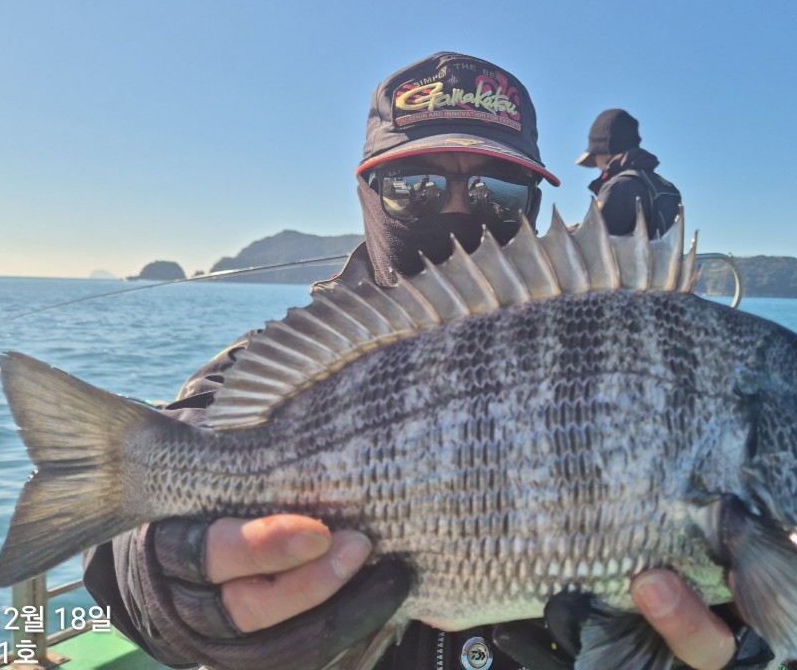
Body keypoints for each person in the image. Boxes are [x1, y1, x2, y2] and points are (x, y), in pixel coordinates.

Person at [83, 52, 743, 670]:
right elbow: (183, 440)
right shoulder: (285, 357)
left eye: (497, 191)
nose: (456, 209)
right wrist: (153, 570)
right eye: (414, 186)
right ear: (369, 193)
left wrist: (751, 624)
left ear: (534, 204)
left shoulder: (593, 351)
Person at [576, 109, 683, 239]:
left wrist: (570, 235)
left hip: (630, 254)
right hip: (661, 254)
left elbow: (595, 242)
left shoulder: (619, 186)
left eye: (594, 157)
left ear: (603, 150)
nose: (597, 165)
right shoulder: (666, 187)